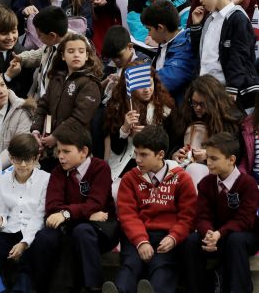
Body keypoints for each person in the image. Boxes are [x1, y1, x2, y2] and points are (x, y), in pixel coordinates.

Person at [16, 123, 118, 293]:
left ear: (84, 152)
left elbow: (96, 203)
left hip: (101, 228)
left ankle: (95, 287)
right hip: (70, 226)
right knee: (44, 237)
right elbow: (52, 207)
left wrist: (66, 213)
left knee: (82, 232)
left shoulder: (100, 168)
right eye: (59, 151)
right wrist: (83, 214)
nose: (61, 156)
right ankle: (37, 287)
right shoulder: (58, 172)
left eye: (66, 151)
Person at [105, 126, 196, 293]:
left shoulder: (182, 179)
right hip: (136, 236)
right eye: (136, 153)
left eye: (144, 154)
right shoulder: (130, 178)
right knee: (130, 266)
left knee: (163, 269)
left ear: (160, 155)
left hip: (167, 237)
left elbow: (187, 217)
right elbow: (128, 215)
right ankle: (118, 290)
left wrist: (174, 237)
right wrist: (141, 241)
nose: (138, 159)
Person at [0, 133, 49, 293]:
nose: (22, 164)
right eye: (17, 159)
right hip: (9, 230)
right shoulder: (2, 180)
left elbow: (39, 216)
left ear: (36, 158)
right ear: (11, 158)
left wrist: (24, 242)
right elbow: (2, 212)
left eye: (28, 160)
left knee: (27, 261)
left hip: (32, 232)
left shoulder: (46, 179)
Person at [183, 131, 259, 293]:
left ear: (231, 159)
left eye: (214, 158)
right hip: (215, 236)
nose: (208, 162)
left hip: (243, 236)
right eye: (208, 157)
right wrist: (209, 233)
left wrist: (220, 233)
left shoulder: (248, 184)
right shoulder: (205, 183)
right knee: (191, 241)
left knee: (236, 240)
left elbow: (245, 220)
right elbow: (202, 216)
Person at [191, 0, 259, 110]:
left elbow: (240, 55)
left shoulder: (237, 18)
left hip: (228, 92)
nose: (201, 0)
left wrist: (233, 88)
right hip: (206, 88)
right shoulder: (209, 19)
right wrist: (196, 27)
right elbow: (202, 52)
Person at [141, 0, 194, 101]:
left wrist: (138, 84)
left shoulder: (186, 45)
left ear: (160, 28)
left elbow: (169, 79)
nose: (149, 35)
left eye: (149, 29)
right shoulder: (165, 43)